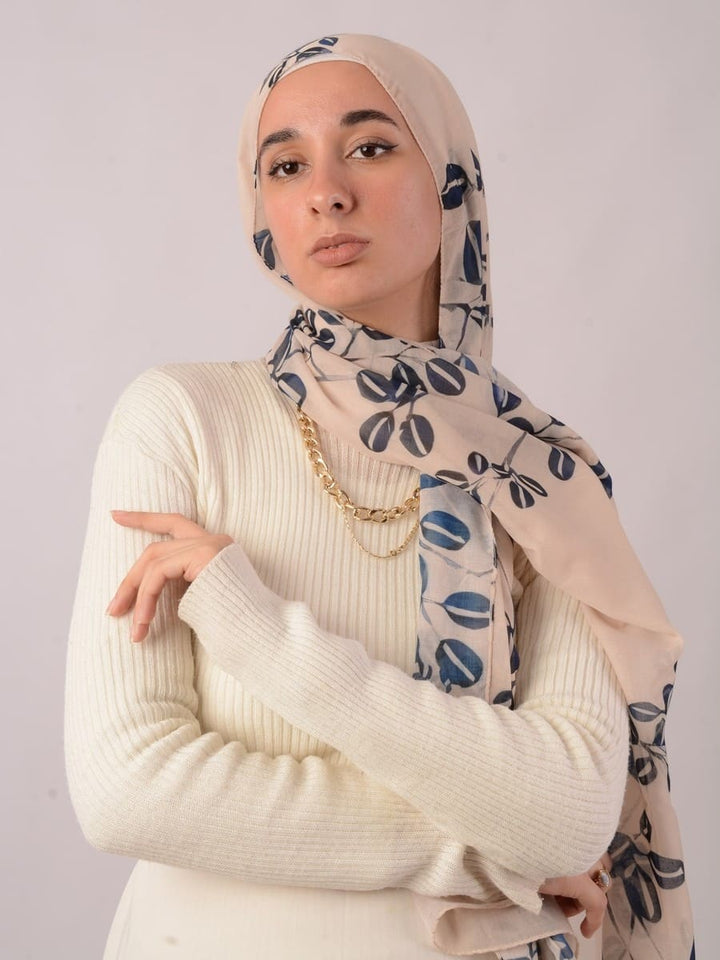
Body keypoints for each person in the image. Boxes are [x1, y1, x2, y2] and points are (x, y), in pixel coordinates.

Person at [64, 33, 694, 960]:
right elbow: (128, 788)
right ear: (263, 209)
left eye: (369, 146)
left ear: (450, 180)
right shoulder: (182, 419)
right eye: (287, 165)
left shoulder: (540, 480)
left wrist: (258, 633)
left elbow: (566, 815)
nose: (327, 192)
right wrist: (479, 857)